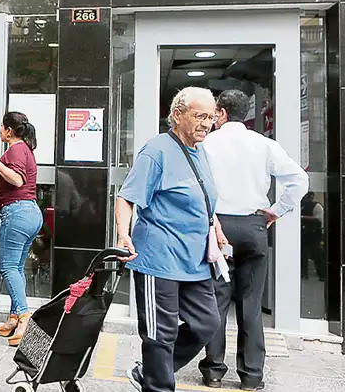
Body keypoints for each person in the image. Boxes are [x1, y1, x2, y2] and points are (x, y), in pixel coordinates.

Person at [198, 89, 308, 391]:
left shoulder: (207, 144)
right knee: (250, 303)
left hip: (218, 229)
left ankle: (214, 372)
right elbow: (300, 180)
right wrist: (276, 211)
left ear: (221, 113)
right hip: (253, 226)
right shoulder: (264, 144)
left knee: (217, 301)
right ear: (245, 114)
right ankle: (251, 376)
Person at [116, 87, 224, 392]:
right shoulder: (157, 151)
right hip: (159, 258)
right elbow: (127, 197)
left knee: (207, 323)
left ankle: (148, 371)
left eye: (211, 117)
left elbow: (200, 197)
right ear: (177, 115)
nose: (207, 123)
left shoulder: (199, 151)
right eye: (199, 115)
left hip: (194, 259)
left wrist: (214, 224)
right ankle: (157, 385)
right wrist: (123, 233)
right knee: (159, 334)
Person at [0, 111, 43, 346]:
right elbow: (15, 178)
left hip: (17, 212)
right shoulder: (24, 149)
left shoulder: (16, 149)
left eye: (1, 127)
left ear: (9, 131)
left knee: (7, 266)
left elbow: (18, 180)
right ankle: (13, 317)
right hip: (29, 212)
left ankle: (23, 317)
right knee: (16, 267)